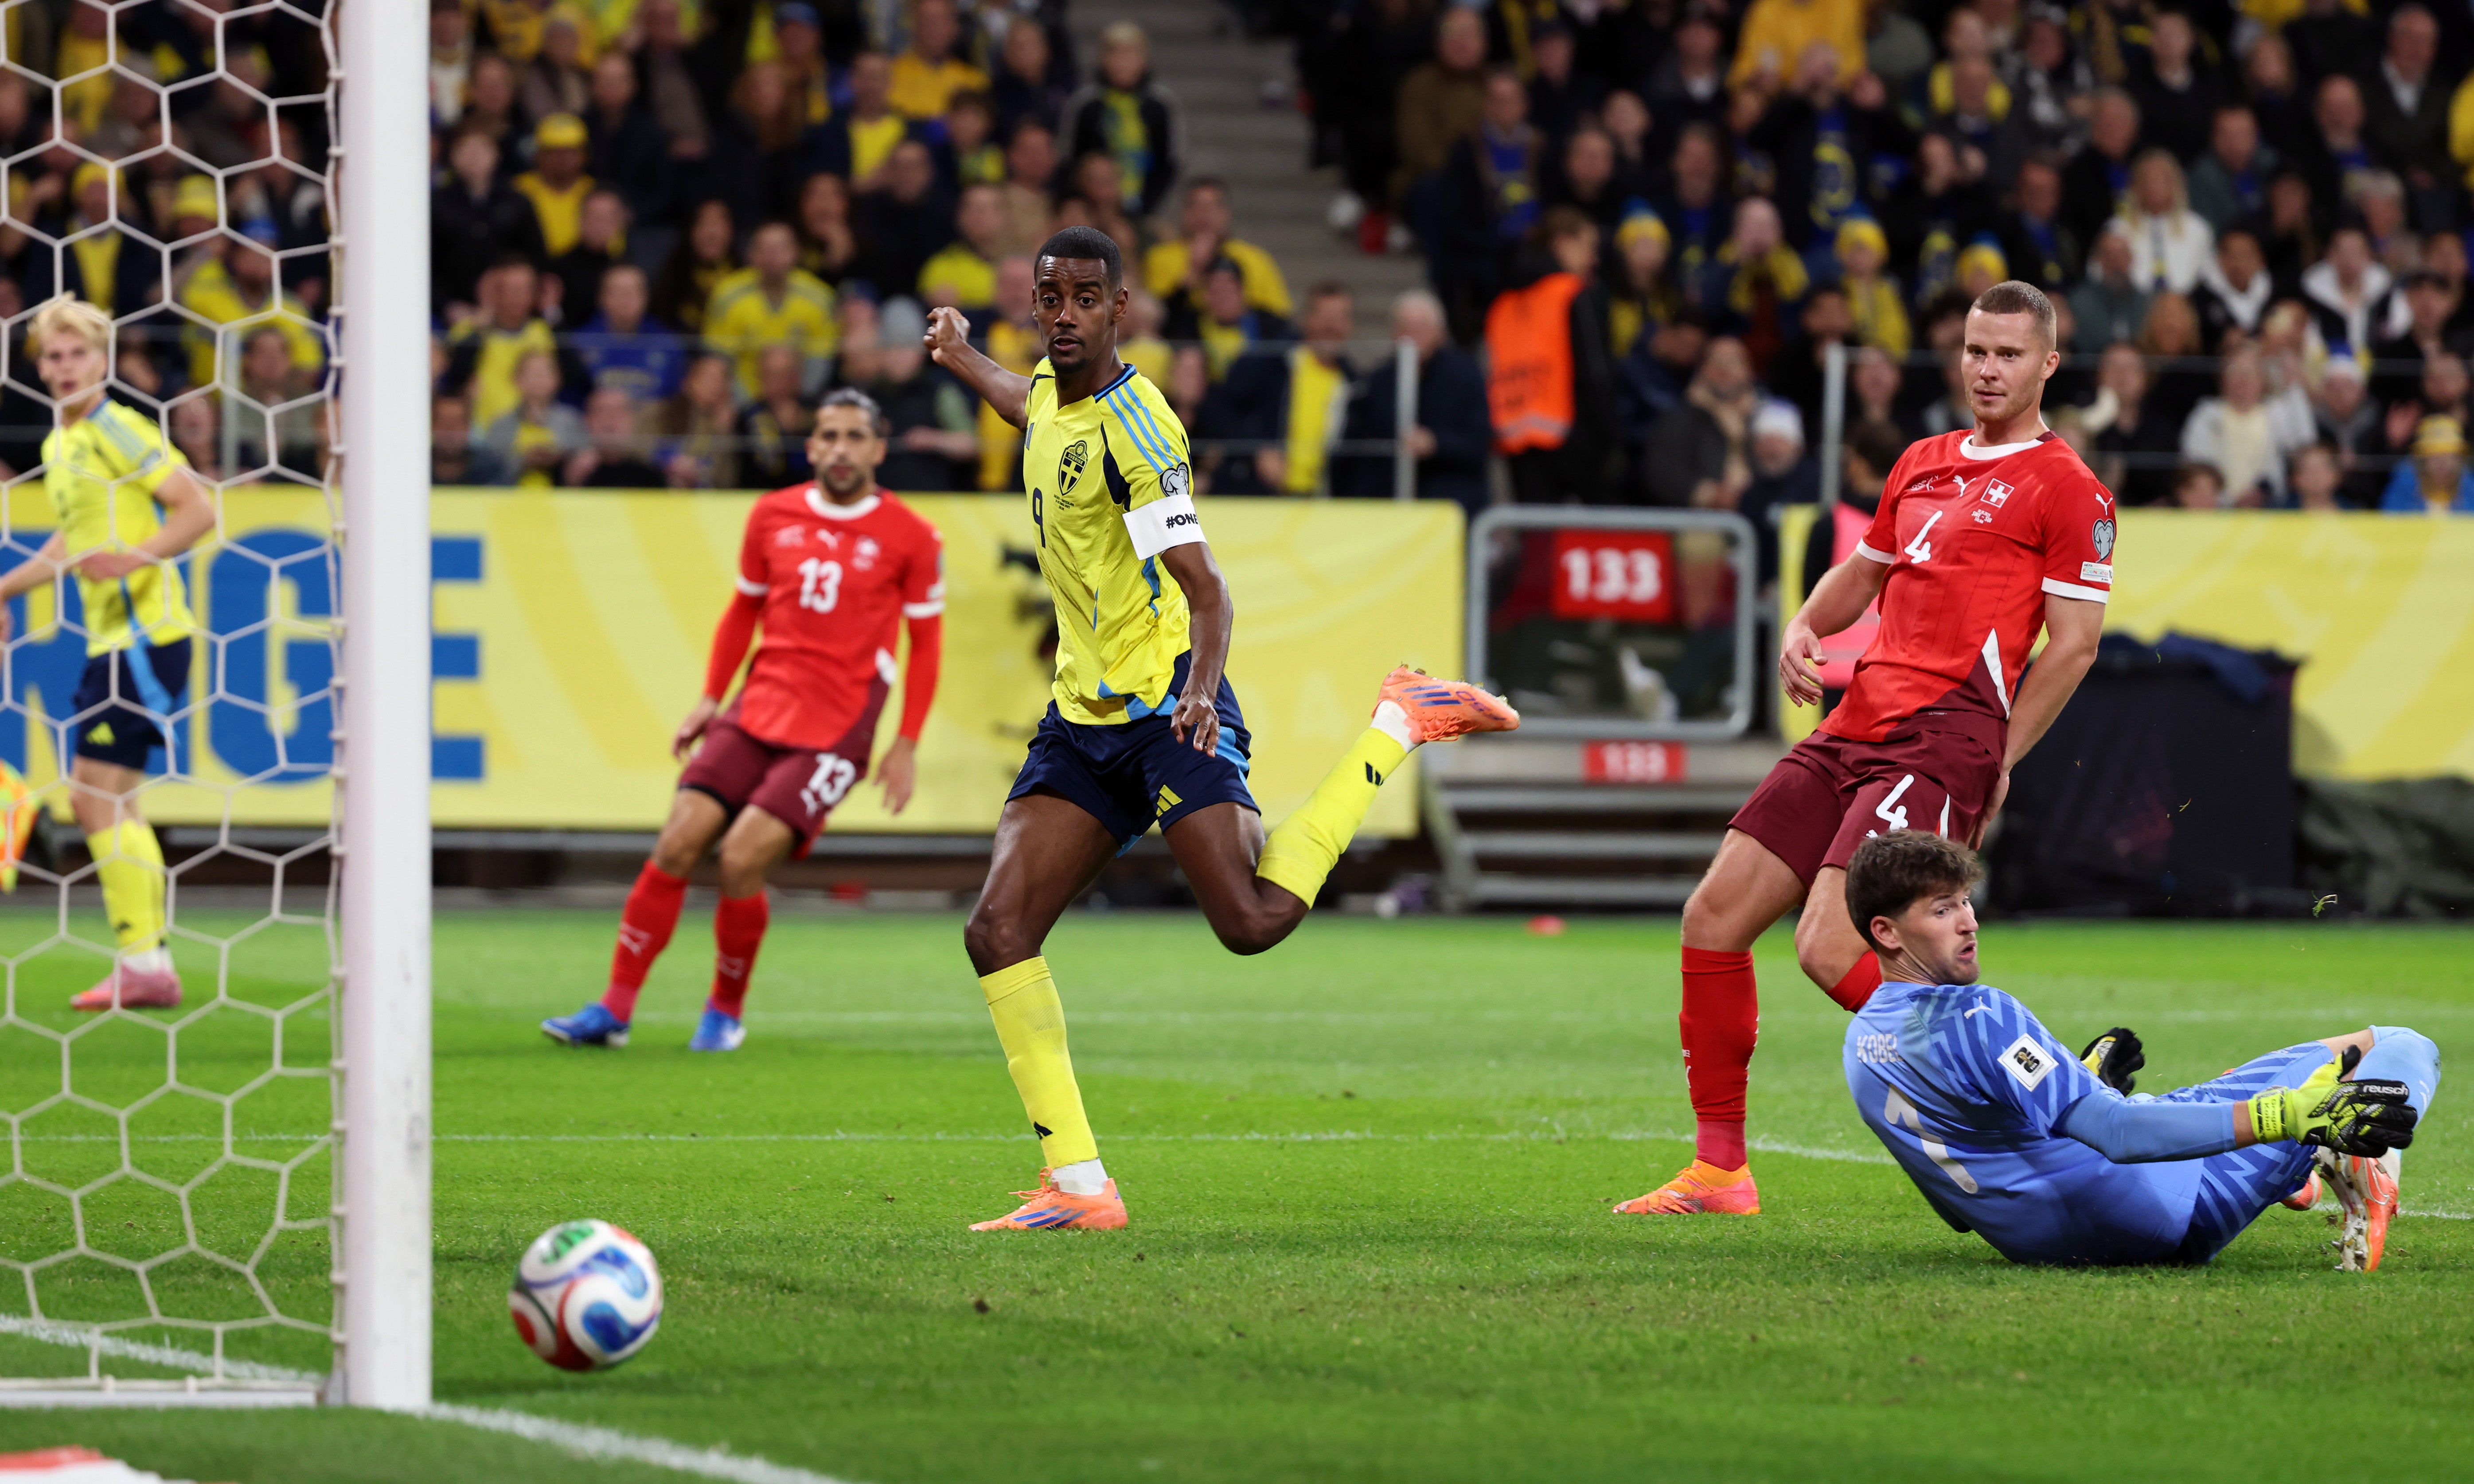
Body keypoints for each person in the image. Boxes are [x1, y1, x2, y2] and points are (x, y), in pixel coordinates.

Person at [922, 226, 1519, 1231]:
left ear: (1121, 310)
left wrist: (1199, 693)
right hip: (1082, 719)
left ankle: (1395, 722)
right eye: (1049, 296)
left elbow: (1209, 591)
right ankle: (1078, 1187)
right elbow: (1018, 400)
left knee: (1249, 922)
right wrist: (957, 352)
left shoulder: (1135, 432)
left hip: (1167, 705)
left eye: (1084, 297)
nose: (1064, 313)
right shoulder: (1046, 398)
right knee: (997, 930)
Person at [1624, 281, 2111, 1218]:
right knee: (1713, 915)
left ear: (2047, 364)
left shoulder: (2069, 487)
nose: (1987, 368)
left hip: (1943, 737)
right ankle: (1720, 1172)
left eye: (2009, 354)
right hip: (1853, 723)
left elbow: (2075, 644)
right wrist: (1805, 626)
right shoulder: (1921, 462)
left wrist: (1998, 756)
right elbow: (1864, 572)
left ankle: (2052, 1109)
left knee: (1826, 942)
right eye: (1975, 349)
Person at [543, 389, 945, 1052]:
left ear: (877, 448)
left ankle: (724, 1012)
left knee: (738, 857)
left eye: (853, 437)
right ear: (811, 445)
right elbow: (742, 612)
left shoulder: (912, 536)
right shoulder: (771, 514)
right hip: (756, 709)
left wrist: (904, 744)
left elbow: (925, 646)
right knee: (676, 842)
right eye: (828, 436)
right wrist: (709, 698)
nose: (839, 449)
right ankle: (613, 1009)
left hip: (836, 730)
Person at [1841, 830, 2431, 1270]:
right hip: (2162, 1216)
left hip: (2040, 1248)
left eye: (1965, 900)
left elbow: (1956, 1205)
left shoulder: (1860, 1047)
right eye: (1941, 910)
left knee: (2181, 1097)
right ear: (1886, 933)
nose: (1968, 923)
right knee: (2395, 1045)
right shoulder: (1977, 1013)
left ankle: (2290, 1171)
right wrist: (2285, 1115)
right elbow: (2118, 1134)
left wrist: (2077, 1080)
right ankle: (2338, 1156)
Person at [0, 297, 215, 1011]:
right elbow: (70, 543)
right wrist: (5, 588)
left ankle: (146, 961)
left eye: (78, 356)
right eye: (53, 358)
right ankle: (148, 959)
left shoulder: (118, 429)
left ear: (104, 362)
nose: (65, 370)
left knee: (92, 794)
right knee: (113, 797)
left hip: (148, 638)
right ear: (40, 367)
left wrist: (135, 559)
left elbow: (197, 508)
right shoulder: (59, 445)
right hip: (111, 643)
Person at [1335, 288, 1491, 517]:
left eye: (1422, 326)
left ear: (1440, 332)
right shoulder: (1375, 383)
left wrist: (1436, 443)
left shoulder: (1465, 376)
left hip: (1449, 508)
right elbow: (1355, 449)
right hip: (1388, 509)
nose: (1413, 334)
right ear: (1393, 332)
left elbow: (1479, 439)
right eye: (1405, 326)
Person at [704, 221, 837, 401]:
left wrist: (802, 401)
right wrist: (748, 406)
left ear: (796, 253)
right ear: (751, 254)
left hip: (798, 396)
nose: (772, 257)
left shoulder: (820, 297)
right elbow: (720, 359)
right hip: (741, 396)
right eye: (764, 249)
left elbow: (820, 360)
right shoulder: (727, 295)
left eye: (780, 248)